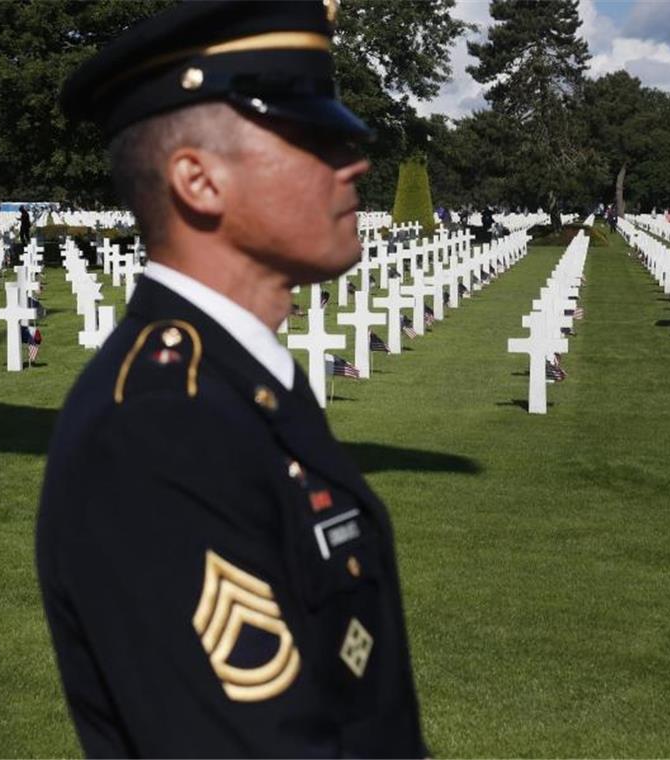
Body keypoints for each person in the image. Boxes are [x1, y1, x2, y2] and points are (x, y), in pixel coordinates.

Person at [35, 2, 429, 757]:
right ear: (198, 181)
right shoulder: (156, 432)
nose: (359, 158)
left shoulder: (238, 382)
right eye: (316, 135)